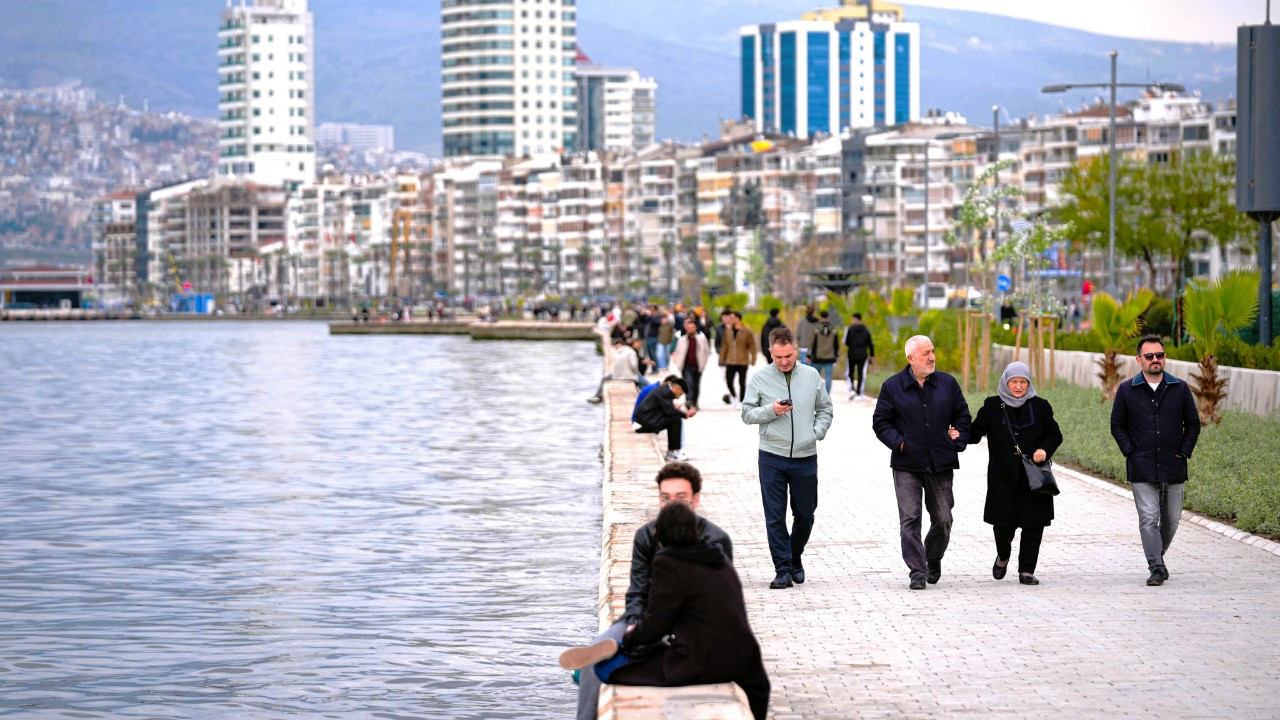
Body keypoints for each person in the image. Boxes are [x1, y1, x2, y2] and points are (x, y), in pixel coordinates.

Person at [560, 500, 769, 720]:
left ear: (662, 535)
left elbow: (656, 622)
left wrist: (630, 639)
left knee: (605, 670)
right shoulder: (719, 558)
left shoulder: (668, 562)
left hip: (702, 661)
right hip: (745, 658)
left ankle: (607, 658)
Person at [871, 335, 971, 590]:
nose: (932, 357)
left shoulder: (947, 383)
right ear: (910, 358)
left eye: (933, 351)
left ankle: (932, 558)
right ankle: (917, 570)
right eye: (926, 353)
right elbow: (881, 422)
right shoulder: (892, 387)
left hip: (940, 462)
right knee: (910, 519)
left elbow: (962, 415)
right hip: (907, 464)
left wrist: (957, 439)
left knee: (943, 518)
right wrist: (901, 443)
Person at [741, 327, 833, 589]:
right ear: (770, 352)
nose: (784, 361)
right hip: (771, 455)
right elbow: (747, 414)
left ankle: (794, 556)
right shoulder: (759, 378)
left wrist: (816, 433)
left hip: (805, 455)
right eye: (778, 357)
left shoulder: (811, 375)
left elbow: (825, 409)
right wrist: (771, 410)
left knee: (805, 514)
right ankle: (782, 569)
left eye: (789, 356)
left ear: (797, 350)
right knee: (774, 516)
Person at [1110, 334, 1201, 586]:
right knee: (1149, 518)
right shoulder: (1127, 390)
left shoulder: (1180, 388)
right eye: (1149, 356)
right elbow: (1117, 425)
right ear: (1139, 360)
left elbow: (1193, 424)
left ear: (1164, 357)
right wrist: (1130, 451)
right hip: (1141, 466)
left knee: (1171, 519)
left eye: (1159, 355)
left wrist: (1184, 451)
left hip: (1174, 464)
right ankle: (1156, 567)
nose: (1155, 360)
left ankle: (1156, 554)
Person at [967, 362, 1063, 585]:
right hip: (1003, 477)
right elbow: (974, 433)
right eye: (1014, 382)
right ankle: (1003, 555)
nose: (1018, 386)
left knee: (1034, 524)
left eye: (1023, 382)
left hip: (1034, 477)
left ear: (1029, 383)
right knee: (1003, 524)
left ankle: (1026, 570)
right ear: (1005, 382)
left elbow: (1055, 434)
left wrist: (1044, 449)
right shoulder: (992, 406)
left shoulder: (1040, 406)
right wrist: (955, 433)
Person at [634, 376, 697, 461]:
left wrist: (676, 410)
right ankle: (673, 452)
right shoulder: (665, 392)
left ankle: (675, 450)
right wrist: (685, 414)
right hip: (642, 425)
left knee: (674, 418)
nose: (678, 397)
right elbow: (670, 411)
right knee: (676, 419)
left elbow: (667, 409)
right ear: (677, 388)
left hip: (644, 421)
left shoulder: (664, 390)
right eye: (680, 394)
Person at [587, 337, 648, 404]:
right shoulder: (631, 352)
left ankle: (597, 396)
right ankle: (645, 399)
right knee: (646, 384)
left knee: (604, 377)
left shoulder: (617, 352)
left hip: (617, 376)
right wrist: (635, 373)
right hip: (630, 376)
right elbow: (634, 366)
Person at [718, 311, 757, 409]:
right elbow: (724, 346)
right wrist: (721, 359)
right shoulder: (728, 331)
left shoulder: (746, 331)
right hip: (730, 361)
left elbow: (752, 345)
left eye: (732, 318)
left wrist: (753, 359)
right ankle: (734, 396)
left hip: (742, 361)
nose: (729, 320)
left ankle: (741, 400)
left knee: (742, 381)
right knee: (728, 380)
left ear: (738, 318)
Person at [671, 317, 710, 409]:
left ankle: (695, 403)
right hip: (686, 366)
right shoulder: (682, 339)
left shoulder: (701, 339)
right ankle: (689, 402)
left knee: (696, 385)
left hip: (697, 365)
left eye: (692, 327)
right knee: (689, 384)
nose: (690, 329)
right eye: (689, 328)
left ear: (696, 328)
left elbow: (706, 351)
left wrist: (703, 363)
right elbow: (678, 351)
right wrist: (677, 361)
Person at [843, 312, 875, 400]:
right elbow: (871, 344)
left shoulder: (850, 329)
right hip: (862, 355)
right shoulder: (866, 330)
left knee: (850, 372)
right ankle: (859, 393)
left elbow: (846, 342)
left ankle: (852, 390)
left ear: (854, 319)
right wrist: (872, 355)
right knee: (861, 374)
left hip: (851, 354)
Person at [808, 309, 840, 394]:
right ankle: (827, 395)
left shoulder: (815, 328)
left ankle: (815, 394)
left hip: (817, 357)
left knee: (815, 377)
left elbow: (811, 342)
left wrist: (809, 355)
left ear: (820, 316)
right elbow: (836, 344)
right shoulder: (833, 329)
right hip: (830, 357)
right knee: (828, 377)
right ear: (828, 317)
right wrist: (837, 354)